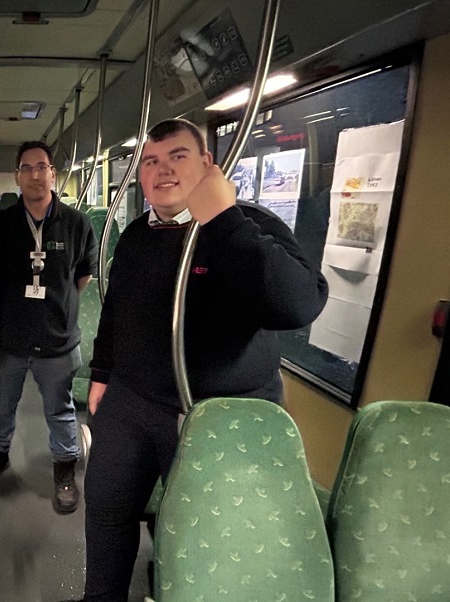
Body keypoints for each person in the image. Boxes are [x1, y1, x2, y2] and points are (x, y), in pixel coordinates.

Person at [81, 118, 328, 601]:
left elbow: (297, 305)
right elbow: (115, 310)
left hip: (215, 410)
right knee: (106, 506)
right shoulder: (134, 236)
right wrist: (101, 373)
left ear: (207, 165)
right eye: (150, 161)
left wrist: (221, 220)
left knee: (201, 533)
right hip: (132, 401)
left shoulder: (247, 226)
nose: (162, 169)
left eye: (178, 156)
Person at [0, 141, 98, 514]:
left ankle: (64, 470)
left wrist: (55, 308)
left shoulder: (77, 223)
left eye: (43, 167)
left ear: (53, 174)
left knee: (60, 410)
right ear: (19, 175)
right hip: (9, 341)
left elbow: (82, 275)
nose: (36, 175)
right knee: (2, 406)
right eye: (27, 168)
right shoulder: (1, 224)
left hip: (57, 341)